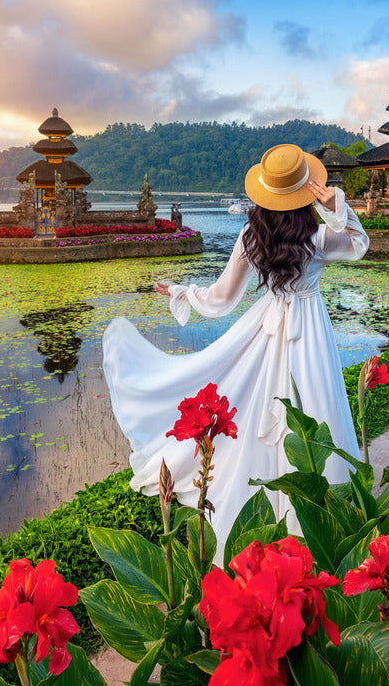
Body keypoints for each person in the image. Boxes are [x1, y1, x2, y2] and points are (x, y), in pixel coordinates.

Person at [102, 144, 369, 557]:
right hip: (310, 334)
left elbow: (222, 297)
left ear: (265, 194)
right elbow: (359, 243)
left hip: (269, 326)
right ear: (303, 195)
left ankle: (267, 519)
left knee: (264, 410)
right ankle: (321, 520)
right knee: (317, 406)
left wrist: (180, 291)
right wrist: (338, 206)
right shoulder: (318, 238)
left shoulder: (251, 236)